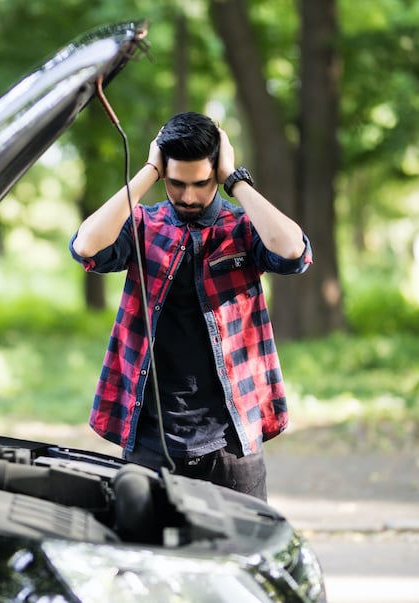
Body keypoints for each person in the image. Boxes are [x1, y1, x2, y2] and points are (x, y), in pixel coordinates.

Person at [69, 112, 312, 500]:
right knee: (148, 560)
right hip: (150, 440)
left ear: (216, 173)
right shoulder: (143, 226)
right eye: (176, 183)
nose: (188, 197)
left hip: (232, 439)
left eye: (201, 183)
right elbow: (86, 246)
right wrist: (149, 169)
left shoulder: (243, 229)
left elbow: (293, 252)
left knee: (241, 558)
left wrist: (236, 179)